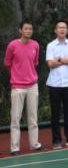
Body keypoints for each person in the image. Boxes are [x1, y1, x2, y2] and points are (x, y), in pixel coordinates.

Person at [4, 20, 43, 155]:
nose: (28, 31)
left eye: (30, 29)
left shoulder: (35, 45)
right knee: (15, 118)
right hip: (17, 87)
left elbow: (35, 62)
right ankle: (15, 148)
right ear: (20, 30)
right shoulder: (12, 45)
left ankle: (34, 144)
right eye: (26, 29)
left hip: (33, 86)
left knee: (33, 118)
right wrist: (17, 75)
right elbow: (7, 63)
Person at [46, 20, 68, 149]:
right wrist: (67, 60)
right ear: (55, 30)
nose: (62, 30)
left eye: (64, 27)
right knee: (55, 114)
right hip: (54, 84)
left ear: (67, 30)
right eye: (59, 28)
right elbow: (50, 63)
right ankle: (56, 141)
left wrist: (59, 59)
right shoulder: (50, 45)